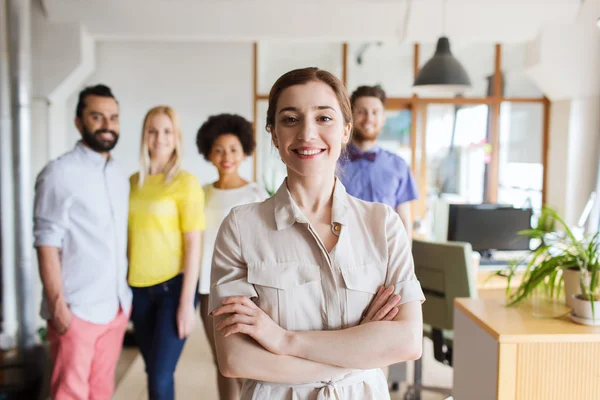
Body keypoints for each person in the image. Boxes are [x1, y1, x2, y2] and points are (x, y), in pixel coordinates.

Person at [209, 68, 425, 399]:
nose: (307, 133)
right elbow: (236, 359)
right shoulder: (240, 228)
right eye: (290, 119)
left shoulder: (383, 225)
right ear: (274, 134)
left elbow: (407, 341)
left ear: (345, 131)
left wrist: (283, 340)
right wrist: (361, 348)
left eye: (324, 118)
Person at [34, 84, 132, 399]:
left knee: (101, 391)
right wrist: (57, 305)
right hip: (76, 310)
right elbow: (46, 241)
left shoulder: (119, 175)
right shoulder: (58, 174)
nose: (107, 124)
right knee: (69, 393)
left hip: (115, 307)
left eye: (113, 117)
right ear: (79, 122)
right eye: (97, 116)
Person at [128, 106, 204, 400]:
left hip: (172, 290)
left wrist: (186, 303)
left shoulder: (185, 183)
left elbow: (193, 246)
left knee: (161, 375)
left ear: (177, 137)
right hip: (138, 289)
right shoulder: (134, 182)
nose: (160, 138)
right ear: (144, 136)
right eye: (153, 131)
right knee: (153, 372)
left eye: (167, 131)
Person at [195, 113, 270, 400]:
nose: (227, 156)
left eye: (233, 150)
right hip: (206, 289)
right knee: (222, 361)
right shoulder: (200, 193)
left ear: (244, 152)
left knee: (245, 361)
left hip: (242, 289)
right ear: (209, 154)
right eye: (219, 150)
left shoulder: (255, 193)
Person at [338, 85, 419, 239]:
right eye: (361, 112)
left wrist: (406, 260)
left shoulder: (399, 166)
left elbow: (404, 222)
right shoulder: (331, 162)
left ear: (383, 119)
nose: (369, 118)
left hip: (386, 253)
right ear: (351, 117)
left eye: (375, 112)